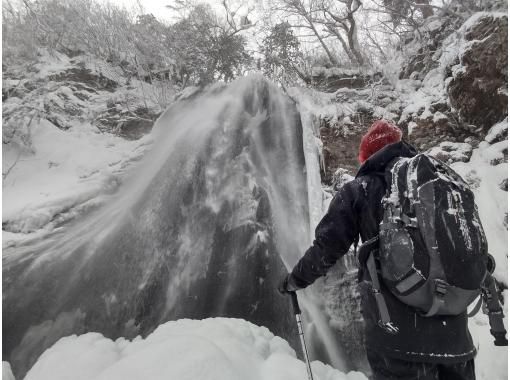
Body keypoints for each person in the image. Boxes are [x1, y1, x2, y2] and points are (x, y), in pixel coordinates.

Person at [279, 120, 476, 380]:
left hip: (397, 340)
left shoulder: (361, 189)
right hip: (456, 341)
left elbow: (327, 247)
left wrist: (295, 280)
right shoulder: (439, 184)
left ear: (367, 157)